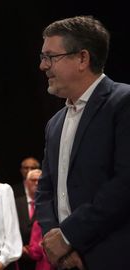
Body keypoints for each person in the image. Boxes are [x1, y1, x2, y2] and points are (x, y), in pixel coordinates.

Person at [36, 15, 130, 270]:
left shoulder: (123, 102)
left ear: (82, 58)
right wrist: (57, 243)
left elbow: (124, 185)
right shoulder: (55, 123)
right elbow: (44, 191)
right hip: (64, 262)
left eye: (50, 57)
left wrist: (68, 237)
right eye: (43, 58)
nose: (43, 66)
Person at [14, 168, 41, 270]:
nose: (37, 183)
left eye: (40, 180)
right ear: (26, 183)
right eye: (33, 180)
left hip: (41, 256)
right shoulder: (15, 202)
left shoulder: (49, 204)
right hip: (19, 255)